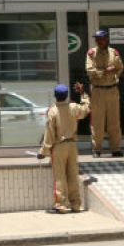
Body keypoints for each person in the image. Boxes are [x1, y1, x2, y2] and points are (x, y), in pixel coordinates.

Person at [37, 83, 91, 214]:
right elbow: (86, 108)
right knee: (73, 174)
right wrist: (83, 94)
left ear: (55, 96)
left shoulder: (53, 111)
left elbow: (49, 135)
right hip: (72, 145)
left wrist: (43, 152)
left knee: (60, 176)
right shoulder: (73, 107)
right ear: (66, 95)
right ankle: (76, 204)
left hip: (59, 147)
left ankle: (61, 205)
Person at [85, 29, 124, 157]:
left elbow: (120, 68)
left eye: (101, 39)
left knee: (114, 121)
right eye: (97, 39)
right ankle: (97, 149)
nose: (99, 41)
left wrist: (114, 75)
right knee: (98, 122)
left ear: (106, 39)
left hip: (112, 90)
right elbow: (89, 70)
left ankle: (115, 148)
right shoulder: (91, 53)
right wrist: (104, 72)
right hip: (98, 90)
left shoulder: (114, 53)